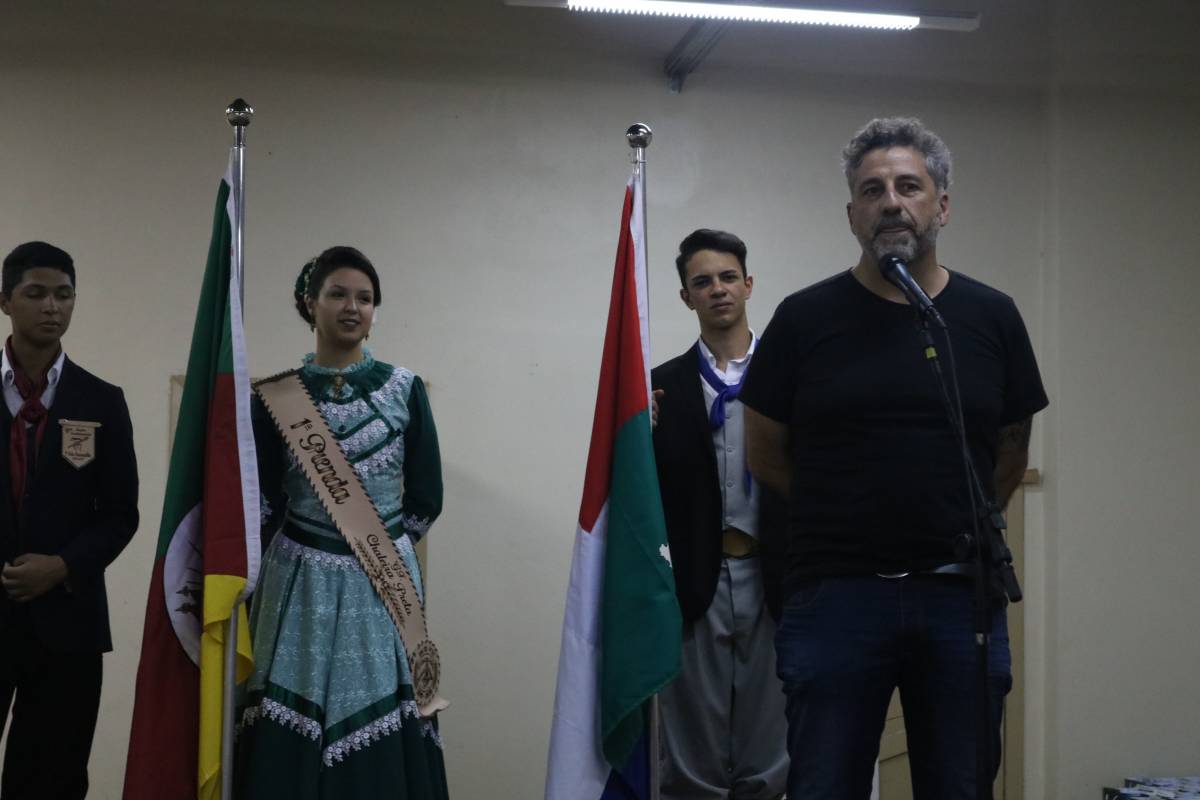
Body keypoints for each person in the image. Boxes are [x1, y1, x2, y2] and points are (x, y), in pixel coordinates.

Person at [741, 117, 1048, 799]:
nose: (891, 202)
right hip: (835, 597)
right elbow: (766, 454)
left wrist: (953, 519)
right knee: (823, 784)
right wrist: (848, 515)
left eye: (909, 186)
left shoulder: (991, 316)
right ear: (852, 213)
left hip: (958, 597)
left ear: (942, 206)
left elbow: (1010, 446)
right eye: (872, 190)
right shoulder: (803, 319)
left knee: (960, 784)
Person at [236, 246, 448, 799]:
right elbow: (262, 503)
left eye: (365, 298)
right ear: (311, 303)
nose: (352, 307)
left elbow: (426, 496)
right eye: (338, 294)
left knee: (380, 701)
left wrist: (375, 551)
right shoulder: (275, 397)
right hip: (297, 581)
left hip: (382, 582)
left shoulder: (404, 387)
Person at [651, 229, 788, 800]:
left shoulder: (790, 376)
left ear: (748, 284)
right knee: (691, 760)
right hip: (694, 585)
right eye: (702, 282)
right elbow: (639, 494)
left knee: (771, 758)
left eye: (728, 277)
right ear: (687, 297)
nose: (718, 289)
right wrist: (638, 435)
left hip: (776, 581)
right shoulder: (658, 388)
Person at [0, 241, 139, 800]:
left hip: (68, 624)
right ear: (5, 301)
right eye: (36, 293)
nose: (52, 306)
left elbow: (121, 515)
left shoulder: (101, 401)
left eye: (64, 294)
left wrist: (61, 566)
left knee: (51, 782)